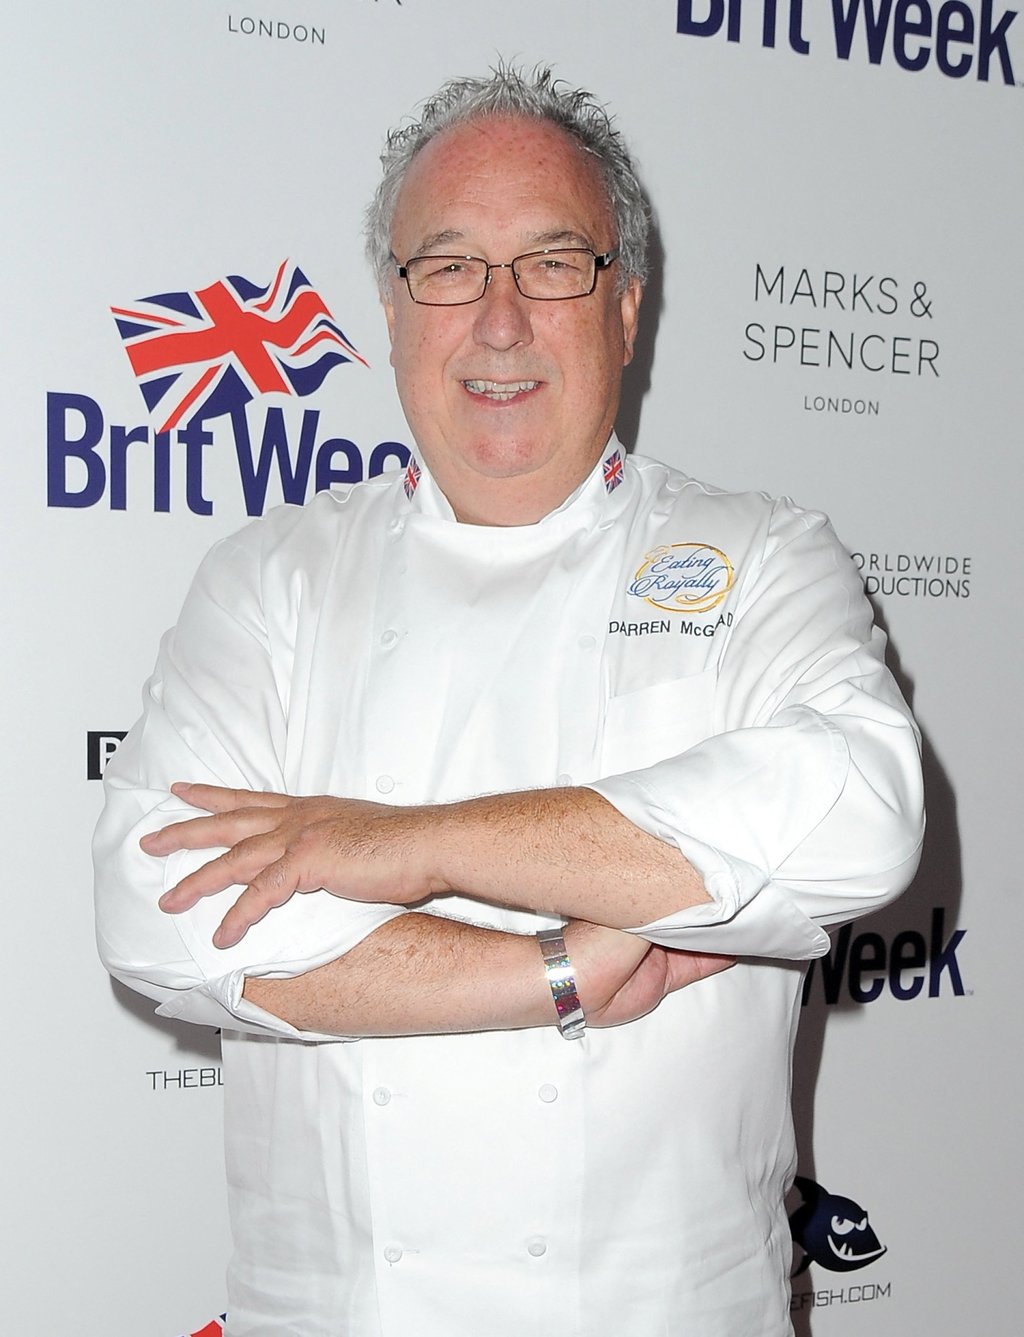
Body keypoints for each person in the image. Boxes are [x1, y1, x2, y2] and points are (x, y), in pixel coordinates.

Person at [94, 65, 924, 1337]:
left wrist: (401, 843)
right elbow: (161, 911)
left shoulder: (759, 553)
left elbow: (857, 812)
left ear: (627, 307)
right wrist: (555, 966)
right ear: (389, 306)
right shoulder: (271, 581)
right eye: (447, 265)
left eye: (551, 265)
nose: (497, 321)